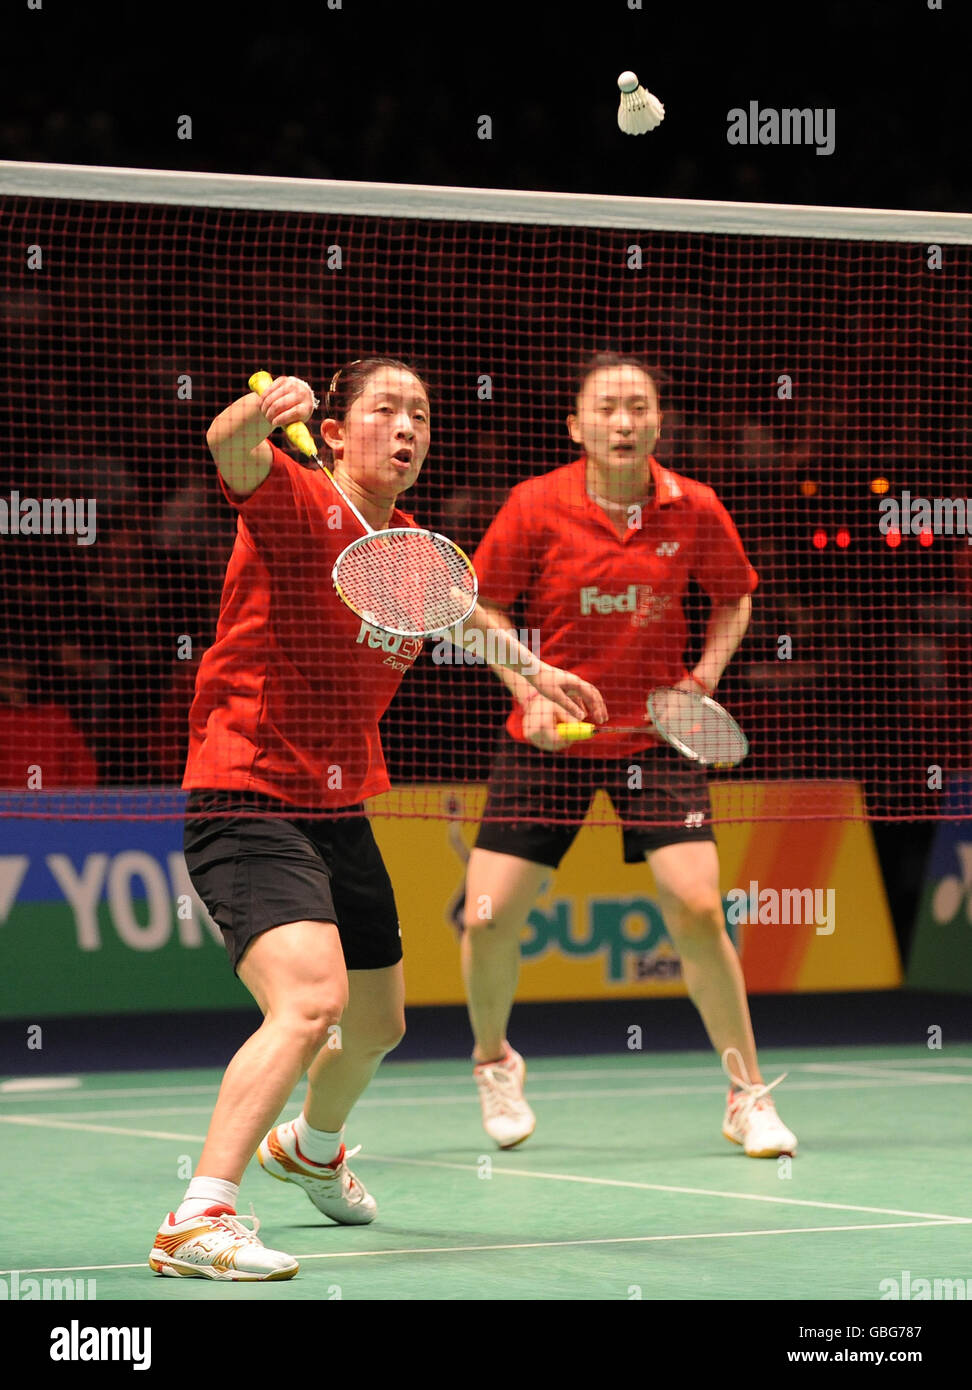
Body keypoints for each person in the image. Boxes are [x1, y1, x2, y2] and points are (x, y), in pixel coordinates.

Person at [149, 359, 605, 1282]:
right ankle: (198, 1217)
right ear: (341, 425)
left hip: (339, 800)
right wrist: (261, 413)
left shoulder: (404, 543)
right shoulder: (295, 494)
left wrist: (531, 672)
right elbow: (226, 448)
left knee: (378, 1023)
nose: (406, 429)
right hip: (249, 789)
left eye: (422, 416)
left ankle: (313, 1150)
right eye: (385, 410)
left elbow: (459, 608)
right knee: (309, 1003)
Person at [460, 353, 798, 1160]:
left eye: (638, 407)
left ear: (657, 422)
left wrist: (701, 683)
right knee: (487, 916)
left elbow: (735, 594)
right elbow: (481, 605)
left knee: (698, 907)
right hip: (555, 734)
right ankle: (493, 1061)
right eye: (606, 408)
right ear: (576, 426)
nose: (623, 421)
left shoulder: (695, 507)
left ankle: (746, 1093)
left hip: (655, 733)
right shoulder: (534, 505)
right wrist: (527, 693)